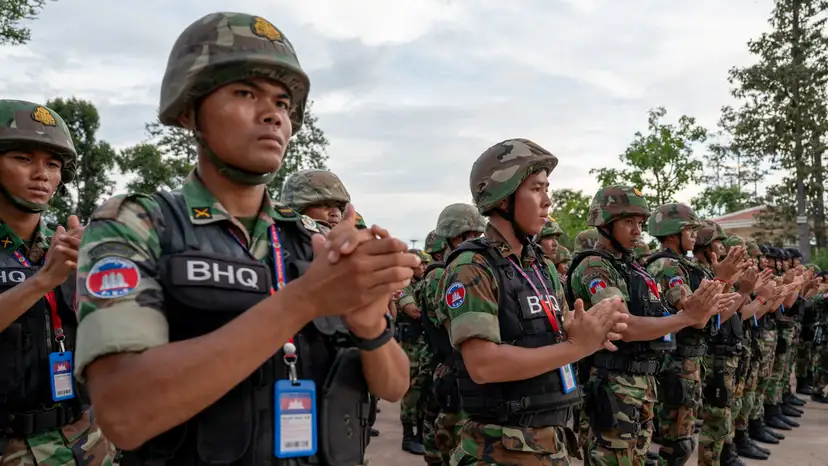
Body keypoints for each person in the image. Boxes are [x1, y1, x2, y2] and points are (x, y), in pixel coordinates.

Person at [73, 13, 415, 466]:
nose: (273, 113)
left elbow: (393, 387)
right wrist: (305, 299)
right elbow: (123, 414)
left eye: (282, 102)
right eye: (245, 93)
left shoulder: (311, 243)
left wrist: (369, 324)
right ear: (189, 110)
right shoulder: (138, 223)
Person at [443, 139, 629, 465]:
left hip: (551, 440)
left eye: (547, 188)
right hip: (500, 448)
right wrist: (577, 347)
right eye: (536, 188)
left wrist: (588, 327)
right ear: (503, 197)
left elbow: (559, 331)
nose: (547, 200)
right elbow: (483, 365)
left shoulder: (539, 266)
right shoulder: (472, 266)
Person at [567, 186, 730, 466]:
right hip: (613, 384)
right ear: (605, 224)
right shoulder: (595, 266)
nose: (637, 231)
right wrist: (686, 317)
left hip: (642, 383)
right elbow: (623, 325)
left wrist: (698, 310)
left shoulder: (633, 269)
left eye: (640, 223)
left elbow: (661, 317)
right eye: (628, 222)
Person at [0, 99, 118, 465]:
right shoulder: (55, 259)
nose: (42, 174)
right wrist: (43, 280)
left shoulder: (68, 243)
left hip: (84, 438)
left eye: (52, 164)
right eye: (23, 158)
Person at [419, 203, 486, 466]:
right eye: (465, 236)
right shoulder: (440, 274)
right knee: (452, 442)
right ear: (449, 239)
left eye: (475, 236)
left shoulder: (465, 268)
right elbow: (452, 325)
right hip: (452, 367)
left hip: (463, 370)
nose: (472, 242)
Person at [395, 248, 431, 455]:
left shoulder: (424, 284)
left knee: (425, 390)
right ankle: (408, 436)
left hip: (424, 346)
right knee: (411, 391)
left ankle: (419, 435)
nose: (424, 268)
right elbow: (413, 311)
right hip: (411, 348)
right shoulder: (404, 286)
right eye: (421, 264)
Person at [279, 168, 350, 229]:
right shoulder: (279, 239)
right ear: (299, 210)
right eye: (324, 204)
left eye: (338, 206)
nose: (336, 213)